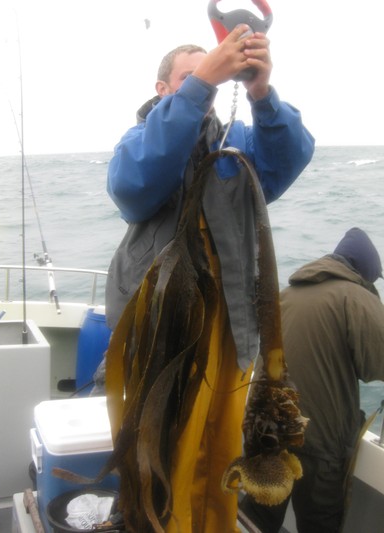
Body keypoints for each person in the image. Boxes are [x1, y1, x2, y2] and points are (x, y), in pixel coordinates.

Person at [98, 24, 314, 532]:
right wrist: (201, 88)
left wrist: (261, 93)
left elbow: (288, 160)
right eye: (192, 76)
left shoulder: (239, 145)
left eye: (217, 74)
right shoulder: (139, 139)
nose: (208, 83)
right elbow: (133, 186)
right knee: (165, 450)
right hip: (163, 341)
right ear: (163, 89)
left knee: (222, 449)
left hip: (234, 332)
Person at [241, 227, 384, 533]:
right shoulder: (356, 297)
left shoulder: (287, 294)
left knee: (256, 518)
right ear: (365, 273)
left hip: (266, 433)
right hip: (319, 441)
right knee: (320, 524)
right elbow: (377, 364)